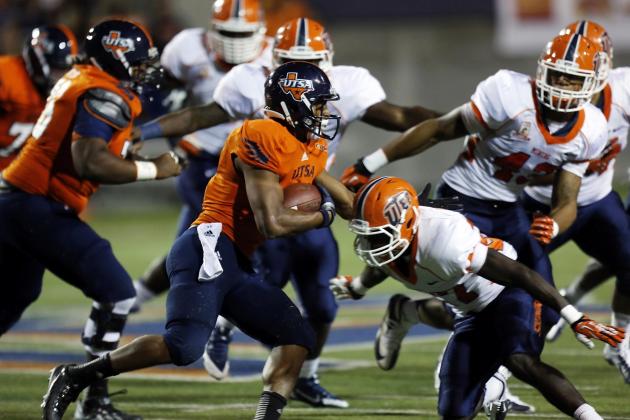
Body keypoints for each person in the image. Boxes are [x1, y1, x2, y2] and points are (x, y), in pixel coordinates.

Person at [130, 17, 440, 407]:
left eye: (310, 60)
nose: (302, 71)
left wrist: (457, 122)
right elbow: (200, 116)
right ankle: (221, 325)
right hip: (270, 198)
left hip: (310, 186)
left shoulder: (344, 88)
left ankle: (305, 376)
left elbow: (398, 118)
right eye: (292, 61)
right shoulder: (254, 89)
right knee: (263, 277)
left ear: (327, 59)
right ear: (274, 59)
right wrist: (147, 131)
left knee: (321, 299)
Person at [42, 61, 355, 420]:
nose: (324, 113)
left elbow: (344, 199)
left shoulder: (305, 145)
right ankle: (75, 375)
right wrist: (323, 216)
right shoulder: (261, 134)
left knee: (297, 338)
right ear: (293, 103)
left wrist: (384, 205)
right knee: (182, 347)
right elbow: (271, 223)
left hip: (238, 261)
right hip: (208, 248)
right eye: (317, 104)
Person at [0, 19, 183, 420]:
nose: (143, 68)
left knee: (14, 296)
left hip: (17, 203)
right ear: (116, 56)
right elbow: (89, 160)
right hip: (37, 205)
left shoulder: (83, 77)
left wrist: (126, 160)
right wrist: (155, 169)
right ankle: (93, 401)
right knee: (117, 291)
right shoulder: (102, 91)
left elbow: (83, 151)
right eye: (137, 60)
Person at [330, 176, 624, 419]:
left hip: (507, 292)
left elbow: (519, 274)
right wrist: (358, 287)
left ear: (405, 223)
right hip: (469, 312)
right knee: (454, 412)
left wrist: (574, 317)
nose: (371, 244)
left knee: (520, 358)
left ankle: (590, 417)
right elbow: (380, 264)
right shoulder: (390, 247)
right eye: (369, 235)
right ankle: (492, 386)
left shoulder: (445, 241)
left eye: (378, 235)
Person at [131, 0, 272, 312]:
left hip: (253, 161)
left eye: (243, 34)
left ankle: (135, 295)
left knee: (192, 243)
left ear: (260, 32)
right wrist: (175, 139)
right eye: (227, 34)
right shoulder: (187, 48)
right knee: (238, 238)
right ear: (212, 29)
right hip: (203, 155)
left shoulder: (275, 56)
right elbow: (163, 97)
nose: (235, 43)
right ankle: (227, 317)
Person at [522, 21, 630, 383]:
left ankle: (620, 342)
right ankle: (469, 354)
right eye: (562, 75)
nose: (568, 84)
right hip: (542, 204)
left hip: (597, 199)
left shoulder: (623, 90)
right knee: (508, 287)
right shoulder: (525, 98)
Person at [0, 24, 77, 172]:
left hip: (17, 176)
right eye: (57, 70)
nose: (62, 78)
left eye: (65, 70)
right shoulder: (7, 75)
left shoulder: (67, 95)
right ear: (37, 61)